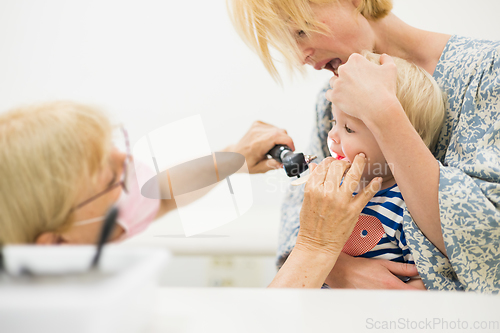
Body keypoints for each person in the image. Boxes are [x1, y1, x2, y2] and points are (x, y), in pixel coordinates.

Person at [228, 0, 500, 292]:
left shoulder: (487, 70)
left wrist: (383, 113)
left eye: (301, 32)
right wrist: (338, 268)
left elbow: (487, 247)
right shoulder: (332, 98)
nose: (299, 58)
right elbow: (302, 220)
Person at [0, 100, 382, 288]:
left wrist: (230, 160)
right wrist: (316, 246)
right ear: (53, 247)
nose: (127, 164)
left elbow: (160, 194)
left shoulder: (83, 230)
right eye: (110, 179)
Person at [325, 51, 444, 272]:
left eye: (349, 128)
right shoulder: (335, 192)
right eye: (334, 122)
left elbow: (427, 281)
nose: (332, 135)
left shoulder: (406, 208)